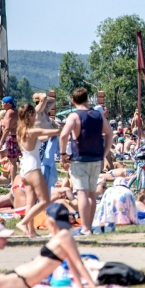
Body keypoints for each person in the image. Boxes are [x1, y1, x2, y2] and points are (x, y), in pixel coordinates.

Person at [0, 203, 98, 288]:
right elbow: (73, 264)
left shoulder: (64, 235)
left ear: (50, 222)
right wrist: (81, 286)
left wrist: (92, 287)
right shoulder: (62, 236)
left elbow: (77, 264)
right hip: (20, 277)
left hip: (22, 280)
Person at [59, 88, 114, 235]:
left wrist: (63, 154)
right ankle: (89, 226)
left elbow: (63, 135)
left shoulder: (74, 116)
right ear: (87, 99)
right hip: (96, 158)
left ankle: (86, 228)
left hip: (79, 159)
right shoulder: (98, 115)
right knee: (91, 194)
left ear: (73, 100)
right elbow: (110, 133)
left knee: (82, 194)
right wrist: (104, 152)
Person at [14, 104, 63, 237]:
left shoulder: (21, 132)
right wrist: (59, 126)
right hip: (33, 169)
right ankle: (23, 222)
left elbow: (41, 139)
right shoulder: (32, 131)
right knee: (45, 201)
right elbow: (53, 132)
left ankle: (32, 232)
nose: (35, 117)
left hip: (24, 170)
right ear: (29, 116)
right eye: (34, 115)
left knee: (31, 202)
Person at [0, 96, 19, 180]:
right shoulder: (16, 111)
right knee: (13, 160)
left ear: (9, 104)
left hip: (11, 137)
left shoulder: (9, 113)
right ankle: (12, 180)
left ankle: (12, 182)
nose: (2, 104)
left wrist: (1, 142)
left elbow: (7, 128)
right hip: (15, 137)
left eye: (3, 103)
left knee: (12, 161)